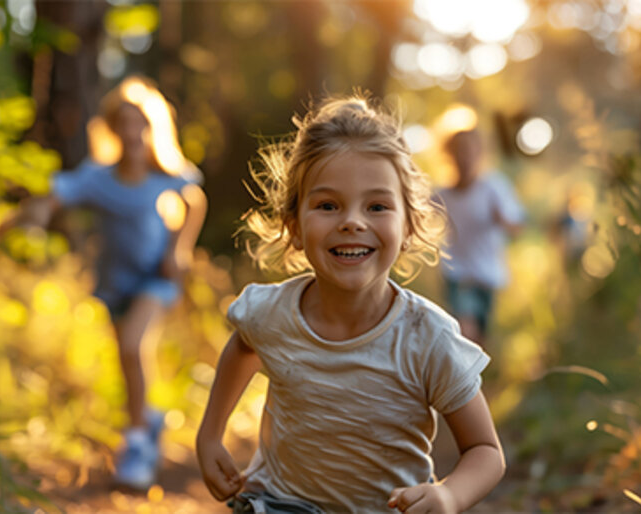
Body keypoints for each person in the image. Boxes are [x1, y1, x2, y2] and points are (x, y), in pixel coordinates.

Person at [195, 96, 504, 513]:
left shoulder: (427, 337)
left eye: (376, 206)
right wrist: (211, 433)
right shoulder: (271, 313)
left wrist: (448, 494)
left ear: (409, 226)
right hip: (280, 503)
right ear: (295, 226)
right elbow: (244, 347)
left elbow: (485, 450)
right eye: (327, 206)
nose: (352, 222)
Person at [0, 76, 207, 490]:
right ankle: (147, 422)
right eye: (124, 124)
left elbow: (195, 200)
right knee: (128, 363)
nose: (132, 133)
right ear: (112, 129)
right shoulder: (98, 178)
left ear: (152, 128)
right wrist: (16, 221)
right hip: (115, 285)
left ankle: (138, 449)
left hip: (155, 281)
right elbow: (52, 198)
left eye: (140, 123)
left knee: (134, 346)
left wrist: (177, 250)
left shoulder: (166, 174)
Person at [432, 106, 524, 347]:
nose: (464, 157)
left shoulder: (493, 187)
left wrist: (503, 221)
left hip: (488, 273)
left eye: (469, 151)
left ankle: (473, 381)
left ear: (480, 152)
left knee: (478, 338)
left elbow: (517, 228)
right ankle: (457, 381)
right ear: (448, 154)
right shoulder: (441, 194)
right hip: (457, 272)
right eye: (458, 151)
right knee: (465, 329)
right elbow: (414, 217)